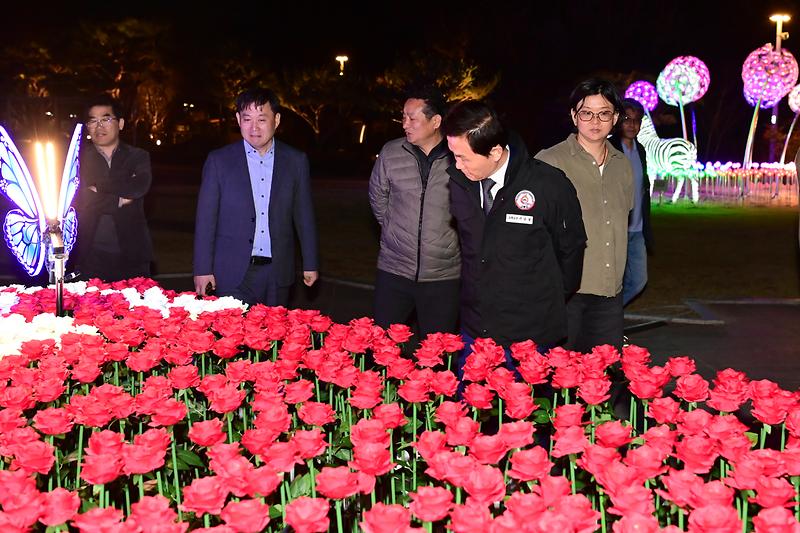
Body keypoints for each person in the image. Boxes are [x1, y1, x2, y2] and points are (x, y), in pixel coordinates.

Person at [442, 99, 586, 376]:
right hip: (475, 328)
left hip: (528, 335)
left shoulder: (548, 185)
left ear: (495, 151)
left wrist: (540, 297)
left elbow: (571, 250)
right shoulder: (460, 183)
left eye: (463, 157)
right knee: (469, 414)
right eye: (453, 156)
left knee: (524, 414)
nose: (456, 166)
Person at [193, 88, 319, 306]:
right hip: (231, 272)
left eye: (262, 119)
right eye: (247, 119)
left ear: (276, 120)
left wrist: (310, 262)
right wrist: (203, 269)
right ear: (238, 120)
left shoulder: (295, 161)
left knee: (274, 338)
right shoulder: (219, 161)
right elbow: (205, 220)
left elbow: (304, 215)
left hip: (277, 272)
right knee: (232, 338)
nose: (254, 127)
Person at [536, 79, 634, 354]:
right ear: (573, 116)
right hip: (564, 292)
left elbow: (622, 216)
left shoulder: (622, 165)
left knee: (602, 377)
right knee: (559, 379)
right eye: (586, 113)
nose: (595, 121)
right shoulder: (549, 161)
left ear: (615, 117)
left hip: (609, 292)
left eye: (603, 113)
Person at [368, 87, 460, 338]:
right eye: (403, 117)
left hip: (443, 276)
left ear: (436, 121)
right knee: (383, 348)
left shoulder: (459, 156)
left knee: (438, 355)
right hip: (394, 270)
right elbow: (378, 198)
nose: (404, 124)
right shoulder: (390, 152)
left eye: (412, 118)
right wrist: (393, 230)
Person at [75, 96, 153, 281]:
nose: (99, 126)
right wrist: (118, 198)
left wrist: (99, 186)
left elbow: (138, 188)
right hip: (89, 254)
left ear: (121, 124)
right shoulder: (77, 160)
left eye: (106, 119)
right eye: (93, 121)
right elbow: (81, 199)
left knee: (139, 308)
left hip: (133, 253)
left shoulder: (138, 156)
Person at [609, 98, 654, 306]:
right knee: (611, 281)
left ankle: (610, 314)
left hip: (637, 230)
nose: (632, 125)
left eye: (636, 120)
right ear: (618, 120)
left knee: (638, 280)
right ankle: (607, 320)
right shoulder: (608, 149)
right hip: (614, 229)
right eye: (627, 119)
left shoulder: (641, 151)